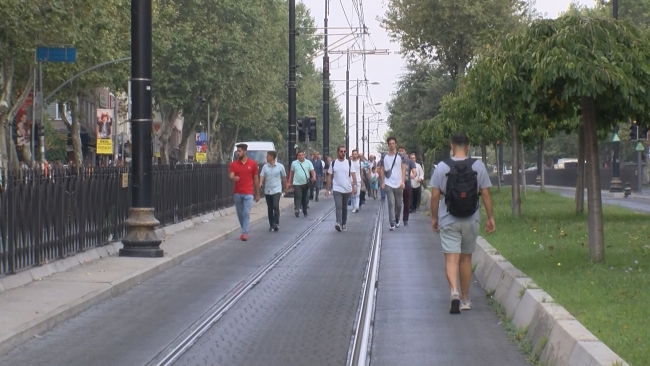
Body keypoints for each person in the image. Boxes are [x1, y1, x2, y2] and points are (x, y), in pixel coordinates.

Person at [430, 132, 495, 314]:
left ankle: (454, 291)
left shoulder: (442, 167)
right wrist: (490, 217)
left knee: (451, 258)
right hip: (471, 218)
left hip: (449, 218)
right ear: (468, 147)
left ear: (451, 146)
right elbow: (486, 193)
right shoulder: (478, 166)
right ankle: (465, 300)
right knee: (465, 258)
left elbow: (435, 196)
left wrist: (434, 218)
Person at [229, 143, 260, 241]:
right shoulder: (234, 164)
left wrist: (257, 193)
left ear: (245, 152)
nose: (238, 153)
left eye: (240, 151)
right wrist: (234, 178)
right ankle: (244, 228)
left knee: (246, 212)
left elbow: (255, 178)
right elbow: (231, 175)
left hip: (248, 192)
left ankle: (244, 233)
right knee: (240, 213)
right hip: (237, 192)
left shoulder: (253, 164)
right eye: (237, 151)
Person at [325, 146, 357, 231]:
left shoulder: (349, 163)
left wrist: (354, 186)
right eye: (341, 151)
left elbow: (353, 175)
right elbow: (329, 176)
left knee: (344, 207)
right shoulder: (333, 163)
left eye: (344, 151)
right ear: (338, 152)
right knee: (338, 205)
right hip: (337, 189)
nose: (343, 153)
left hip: (347, 189)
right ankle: (338, 222)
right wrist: (327, 189)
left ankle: (344, 223)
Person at [379, 137, 406, 231]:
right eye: (390, 143)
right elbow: (381, 168)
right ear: (388, 145)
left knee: (399, 204)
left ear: (396, 144)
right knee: (391, 203)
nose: (392, 145)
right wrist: (382, 181)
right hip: (388, 182)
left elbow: (403, 168)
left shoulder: (401, 156)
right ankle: (392, 223)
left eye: (393, 143)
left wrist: (402, 181)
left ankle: (397, 217)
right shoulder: (384, 156)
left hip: (398, 183)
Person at [259, 150, 287, 232]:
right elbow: (262, 175)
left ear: (272, 157)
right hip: (268, 190)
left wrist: (286, 187)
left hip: (277, 189)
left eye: (268, 156)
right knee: (270, 207)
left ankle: (276, 223)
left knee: (275, 205)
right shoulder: (265, 167)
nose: (266, 157)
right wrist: (260, 182)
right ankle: (271, 224)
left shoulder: (280, 166)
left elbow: (283, 177)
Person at [288, 150, 316, 217]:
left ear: (304, 156)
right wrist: (289, 182)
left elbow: (312, 171)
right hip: (297, 183)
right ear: (297, 156)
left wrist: (314, 177)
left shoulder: (308, 163)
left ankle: (305, 211)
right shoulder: (294, 163)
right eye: (299, 155)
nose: (301, 156)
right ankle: (297, 209)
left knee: (304, 197)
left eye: (302, 155)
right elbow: (291, 173)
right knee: (298, 196)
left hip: (305, 183)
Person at [398, 146, 417, 226]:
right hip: (397, 184)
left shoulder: (409, 161)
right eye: (399, 151)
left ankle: (405, 219)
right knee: (397, 202)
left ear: (405, 152)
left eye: (402, 150)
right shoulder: (396, 161)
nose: (401, 152)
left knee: (407, 202)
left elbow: (414, 170)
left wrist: (414, 174)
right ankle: (397, 218)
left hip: (407, 184)